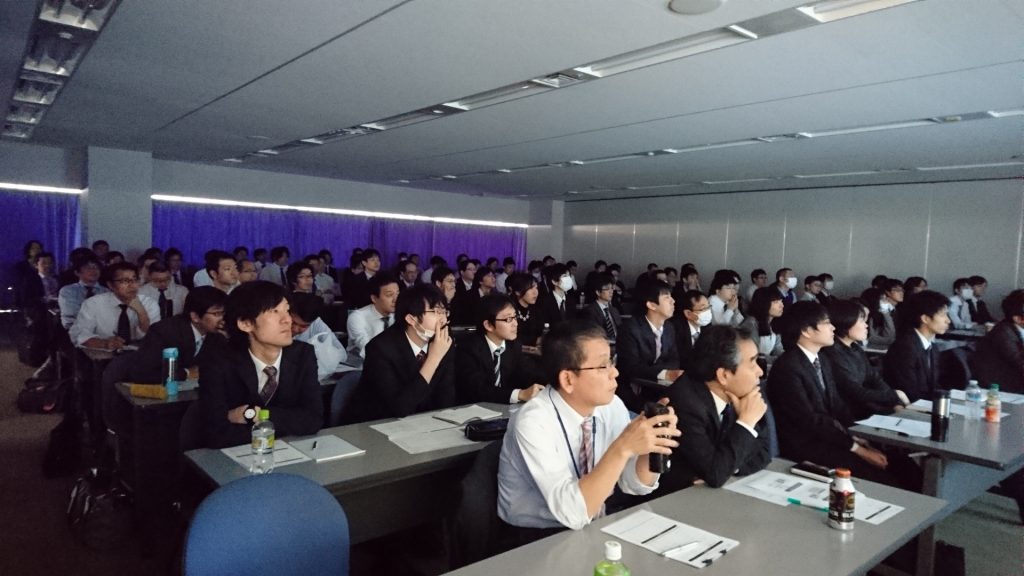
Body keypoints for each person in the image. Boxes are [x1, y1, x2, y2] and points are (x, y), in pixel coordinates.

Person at [497, 320, 680, 534]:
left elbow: (633, 484)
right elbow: (572, 513)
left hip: (595, 519)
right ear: (567, 379)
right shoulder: (533, 421)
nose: (615, 373)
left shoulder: (610, 405)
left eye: (612, 362)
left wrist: (650, 446)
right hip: (536, 534)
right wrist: (623, 447)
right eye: (603, 366)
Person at [767, 301, 919, 488]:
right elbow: (811, 420)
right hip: (808, 445)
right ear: (807, 330)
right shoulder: (788, 367)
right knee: (884, 479)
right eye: (826, 323)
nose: (832, 327)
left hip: (831, 438)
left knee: (903, 465)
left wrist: (855, 436)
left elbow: (837, 405)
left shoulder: (821, 358)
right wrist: (857, 449)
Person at [198, 281, 322, 448]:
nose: (287, 320)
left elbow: (313, 420)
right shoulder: (219, 361)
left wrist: (253, 414)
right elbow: (215, 433)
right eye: (275, 311)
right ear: (246, 324)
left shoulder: (303, 354)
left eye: (287, 310)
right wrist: (286, 423)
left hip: (288, 454)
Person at [657, 325, 769, 492]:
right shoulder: (685, 404)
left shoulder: (741, 395)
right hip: (674, 501)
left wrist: (729, 466)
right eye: (752, 363)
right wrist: (745, 423)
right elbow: (716, 474)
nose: (760, 372)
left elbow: (765, 452)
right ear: (723, 375)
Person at [342, 284, 456, 423]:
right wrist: (434, 358)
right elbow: (400, 407)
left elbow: (446, 397)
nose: (443, 319)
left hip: (423, 424)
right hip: (376, 425)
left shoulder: (443, 342)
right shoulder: (380, 348)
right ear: (411, 319)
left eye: (444, 312)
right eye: (435, 312)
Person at [821, 299, 908, 419]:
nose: (866, 325)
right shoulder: (832, 353)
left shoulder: (855, 348)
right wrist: (894, 396)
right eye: (862, 320)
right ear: (846, 321)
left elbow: (875, 379)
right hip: (850, 415)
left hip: (866, 408)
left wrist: (895, 403)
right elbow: (855, 392)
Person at [455, 294, 545, 405]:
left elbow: (528, 372)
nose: (515, 324)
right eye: (508, 319)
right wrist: (519, 394)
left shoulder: (513, 345)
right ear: (488, 325)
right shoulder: (468, 348)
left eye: (515, 317)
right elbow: (478, 390)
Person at [126, 286, 228, 383]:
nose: (223, 320)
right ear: (195, 316)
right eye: (217, 314)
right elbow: (142, 373)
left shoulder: (217, 337)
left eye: (225, 313)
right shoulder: (164, 332)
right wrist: (186, 373)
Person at [615, 281, 682, 412]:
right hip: (631, 390)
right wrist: (665, 373)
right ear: (651, 305)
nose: (673, 301)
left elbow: (675, 361)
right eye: (666, 297)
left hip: (657, 386)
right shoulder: (630, 328)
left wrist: (663, 373)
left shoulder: (669, 327)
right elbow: (631, 367)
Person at [69, 262, 161, 349]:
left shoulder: (149, 303)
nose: (132, 285)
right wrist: (104, 343)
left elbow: (154, 336)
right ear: (110, 285)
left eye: (135, 280)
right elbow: (79, 334)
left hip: (140, 356)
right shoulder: (93, 304)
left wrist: (141, 312)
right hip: (103, 357)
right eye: (125, 281)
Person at [882, 290, 950, 402]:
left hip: (925, 404)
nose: (948, 320)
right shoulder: (904, 347)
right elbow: (909, 391)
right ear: (925, 319)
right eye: (943, 315)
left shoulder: (932, 347)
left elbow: (934, 385)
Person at [972, 289, 1024, 394]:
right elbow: (1020, 363)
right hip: (1002, 391)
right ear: (1017, 319)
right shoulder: (1003, 333)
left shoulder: (1016, 329)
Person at [288, 292, 347, 380]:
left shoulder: (316, 323)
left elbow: (341, 354)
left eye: (304, 326)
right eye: (293, 322)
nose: (296, 329)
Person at [346, 272, 399, 360]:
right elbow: (368, 349)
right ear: (374, 298)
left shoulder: (400, 315)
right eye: (389, 295)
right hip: (361, 366)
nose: (395, 300)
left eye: (397, 294)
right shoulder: (357, 317)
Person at [58, 255, 108, 329]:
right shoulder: (68, 291)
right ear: (77, 273)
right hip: (74, 330)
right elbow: (73, 313)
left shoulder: (106, 291)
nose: (93, 270)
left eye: (96, 267)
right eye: (88, 268)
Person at [667, 288, 711, 372]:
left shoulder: (706, 324)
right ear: (688, 313)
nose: (708, 312)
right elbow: (679, 360)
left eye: (709, 306)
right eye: (703, 309)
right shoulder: (674, 328)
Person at [740, 287, 784, 360]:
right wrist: (776, 360)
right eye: (776, 302)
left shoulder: (774, 323)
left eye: (781, 301)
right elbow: (753, 355)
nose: (782, 306)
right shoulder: (751, 324)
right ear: (764, 303)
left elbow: (778, 349)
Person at [582, 272, 621, 342]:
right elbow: (593, 334)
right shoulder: (590, 311)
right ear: (598, 292)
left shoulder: (614, 310)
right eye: (607, 289)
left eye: (612, 288)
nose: (611, 292)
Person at [509, 272, 544, 348]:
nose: (535, 292)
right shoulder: (509, 311)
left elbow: (541, 331)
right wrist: (535, 341)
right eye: (531, 288)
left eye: (536, 288)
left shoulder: (536, 309)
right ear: (518, 292)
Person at [538, 263, 578, 328]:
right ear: (554, 281)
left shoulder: (571, 300)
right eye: (565, 276)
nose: (568, 279)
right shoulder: (544, 302)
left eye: (569, 276)